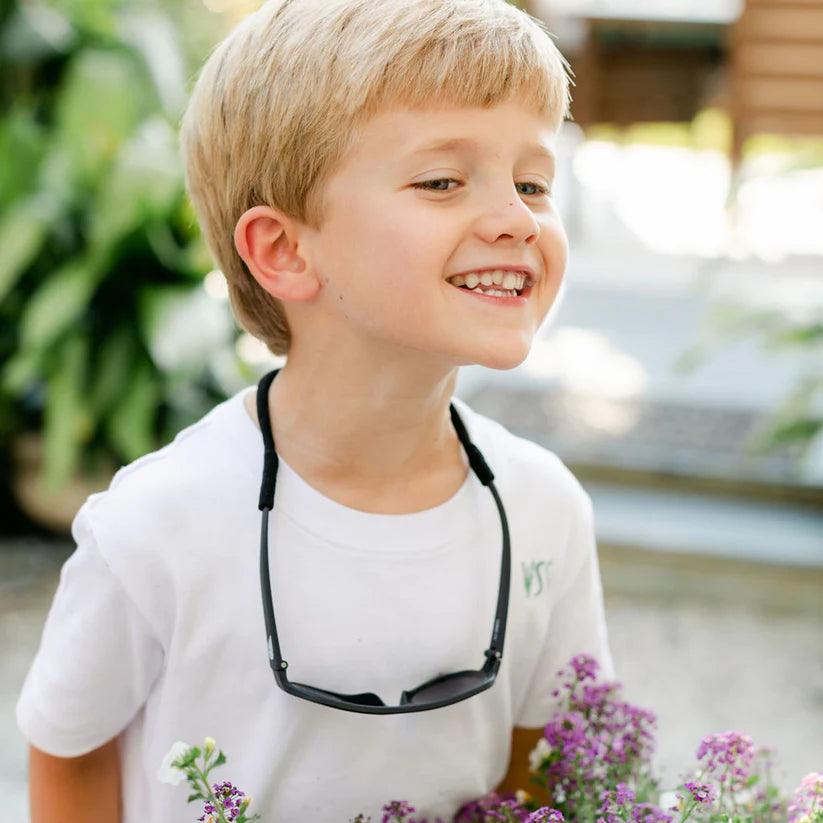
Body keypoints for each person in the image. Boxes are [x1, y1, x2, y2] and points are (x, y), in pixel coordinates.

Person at [16, 0, 616, 820]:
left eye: (533, 183)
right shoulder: (155, 524)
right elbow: (70, 747)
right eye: (442, 181)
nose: (515, 218)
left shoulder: (545, 508)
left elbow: (546, 772)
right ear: (285, 250)